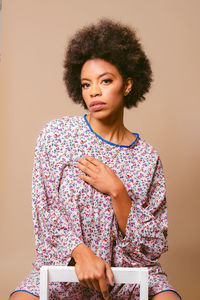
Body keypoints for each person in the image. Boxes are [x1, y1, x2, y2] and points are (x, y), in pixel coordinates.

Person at [9, 18, 182, 299]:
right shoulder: (56, 135)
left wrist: (118, 191)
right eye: (86, 84)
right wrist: (81, 254)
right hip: (64, 269)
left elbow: (153, 247)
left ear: (127, 85)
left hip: (129, 275)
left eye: (106, 81)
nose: (94, 92)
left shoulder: (148, 157)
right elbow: (46, 211)